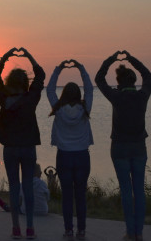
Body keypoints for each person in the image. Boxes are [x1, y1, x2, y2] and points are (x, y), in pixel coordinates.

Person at [95, 50, 151, 241]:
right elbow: (148, 75)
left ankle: (129, 232)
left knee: (126, 190)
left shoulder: (116, 96)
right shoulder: (142, 95)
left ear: (118, 82)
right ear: (133, 81)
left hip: (119, 148)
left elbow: (99, 78)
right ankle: (139, 234)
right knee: (139, 191)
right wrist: (131, 59)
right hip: (138, 148)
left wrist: (111, 59)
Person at [0, 47, 45, 239]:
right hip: (28, 147)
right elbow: (40, 76)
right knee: (28, 187)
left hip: (11, 149)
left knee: (14, 187)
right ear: (25, 83)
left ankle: (16, 228)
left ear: (9, 83)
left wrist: (5, 58)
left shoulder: (4, 99)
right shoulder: (31, 99)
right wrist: (29, 56)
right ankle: (30, 227)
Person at [47, 59, 93, 240]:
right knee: (80, 194)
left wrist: (58, 69)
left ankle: (68, 230)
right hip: (82, 156)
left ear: (64, 94)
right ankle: (81, 230)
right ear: (78, 94)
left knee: (67, 195)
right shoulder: (85, 108)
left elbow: (50, 89)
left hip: (64, 156)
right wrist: (81, 68)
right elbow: (89, 89)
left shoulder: (58, 109)